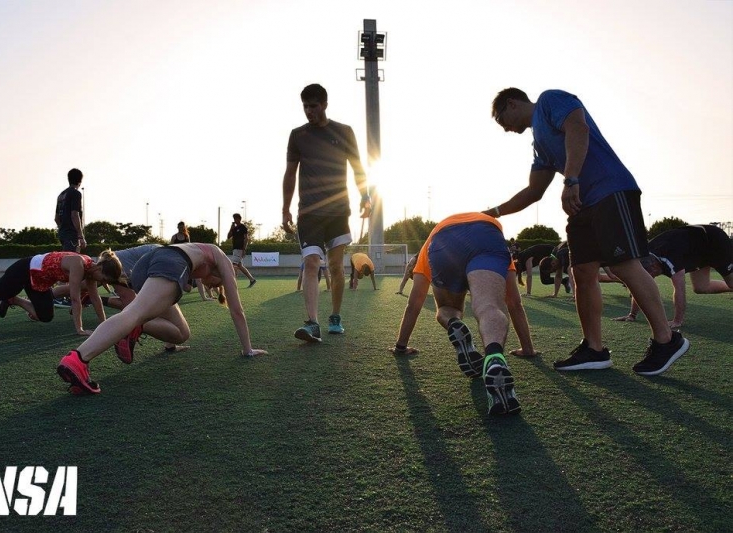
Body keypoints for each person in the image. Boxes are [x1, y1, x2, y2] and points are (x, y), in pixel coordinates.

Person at [487, 87, 689, 376]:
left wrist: (570, 179)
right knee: (581, 271)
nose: (505, 129)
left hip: (610, 190)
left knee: (623, 265)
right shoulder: (539, 145)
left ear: (512, 103)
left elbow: (577, 128)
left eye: (501, 120)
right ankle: (593, 349)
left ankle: (666, 340)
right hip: (582, 205)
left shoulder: (549, 100)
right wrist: (493, 213)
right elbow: (534, 191)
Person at [56, 243, 267, 394]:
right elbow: (237, 310)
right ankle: (78, 359)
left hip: (149, 262)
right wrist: (247, 349)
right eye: (213, 284)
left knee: (181, 333)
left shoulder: (199, 254)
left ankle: (137, 328)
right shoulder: (223, 261)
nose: (209, 285)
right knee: (133, 313)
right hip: (169, 261)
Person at [389, 213, 524, 416]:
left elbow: (414, 303)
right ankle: (494, 357)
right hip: (487, 233)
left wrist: (401, 346)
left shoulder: (426, 248)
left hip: (442, 240)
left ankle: (453, 322)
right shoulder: (487, 228)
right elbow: (514, 302)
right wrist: (528, 348)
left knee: (446, 309)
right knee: (489, 307)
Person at [281, 83, 371, 342]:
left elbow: (358, 168)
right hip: (308, 212)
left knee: (335, 266)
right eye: (305, 106)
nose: (309, 111)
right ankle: (312, 323)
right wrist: (285, 207)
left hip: (338, 210)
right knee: (311, 262)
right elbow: (290, 173)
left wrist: (365, 197)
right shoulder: (297, 135)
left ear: (325, 104)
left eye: (313, 106)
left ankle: (335, 317)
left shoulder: (343, 132)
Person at [0, 251, 121, 335]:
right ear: (99, 266)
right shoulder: (79, 264)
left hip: (39, 281)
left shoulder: (91, 273)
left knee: (45, 316)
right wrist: (79, 329)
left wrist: (105, 325)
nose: (102, 283)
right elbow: (75, 298)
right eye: (103, 278)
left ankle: (14, 299)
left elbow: (95, 299)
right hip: (25, 269)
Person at [613, 224, 733, 328]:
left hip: (713, 241)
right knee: (701, 287)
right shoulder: (646, 258)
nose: (648, 280)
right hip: (696, 248)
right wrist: (632, 315)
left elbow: (679, 288)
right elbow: (640, 285)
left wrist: (677, 321)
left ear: (654, 267)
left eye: (650, 276)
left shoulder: (669, 259)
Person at [54, 168, 86, 253]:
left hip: (62, 234)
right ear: (80, 181)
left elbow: (56, 218)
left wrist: (63, 228)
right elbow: (74, 215)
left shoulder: (61, 195)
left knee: (66, 257)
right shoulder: (76, 193)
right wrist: (80, 236)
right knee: (72, 260)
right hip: (72, 234)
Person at [227, 213, 256, 288]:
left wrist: (244, 249)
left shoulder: (243, 227)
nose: (235, 220)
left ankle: (233, 283)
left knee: (234, 265)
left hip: (239, 249)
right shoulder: (234, 228)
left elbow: (246, 238)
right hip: (235, 249)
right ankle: (252, 279)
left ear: (239, 219)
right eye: (234, 219)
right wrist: (231, 227)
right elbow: (228, 236)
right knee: (239, 265)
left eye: (236, 219)